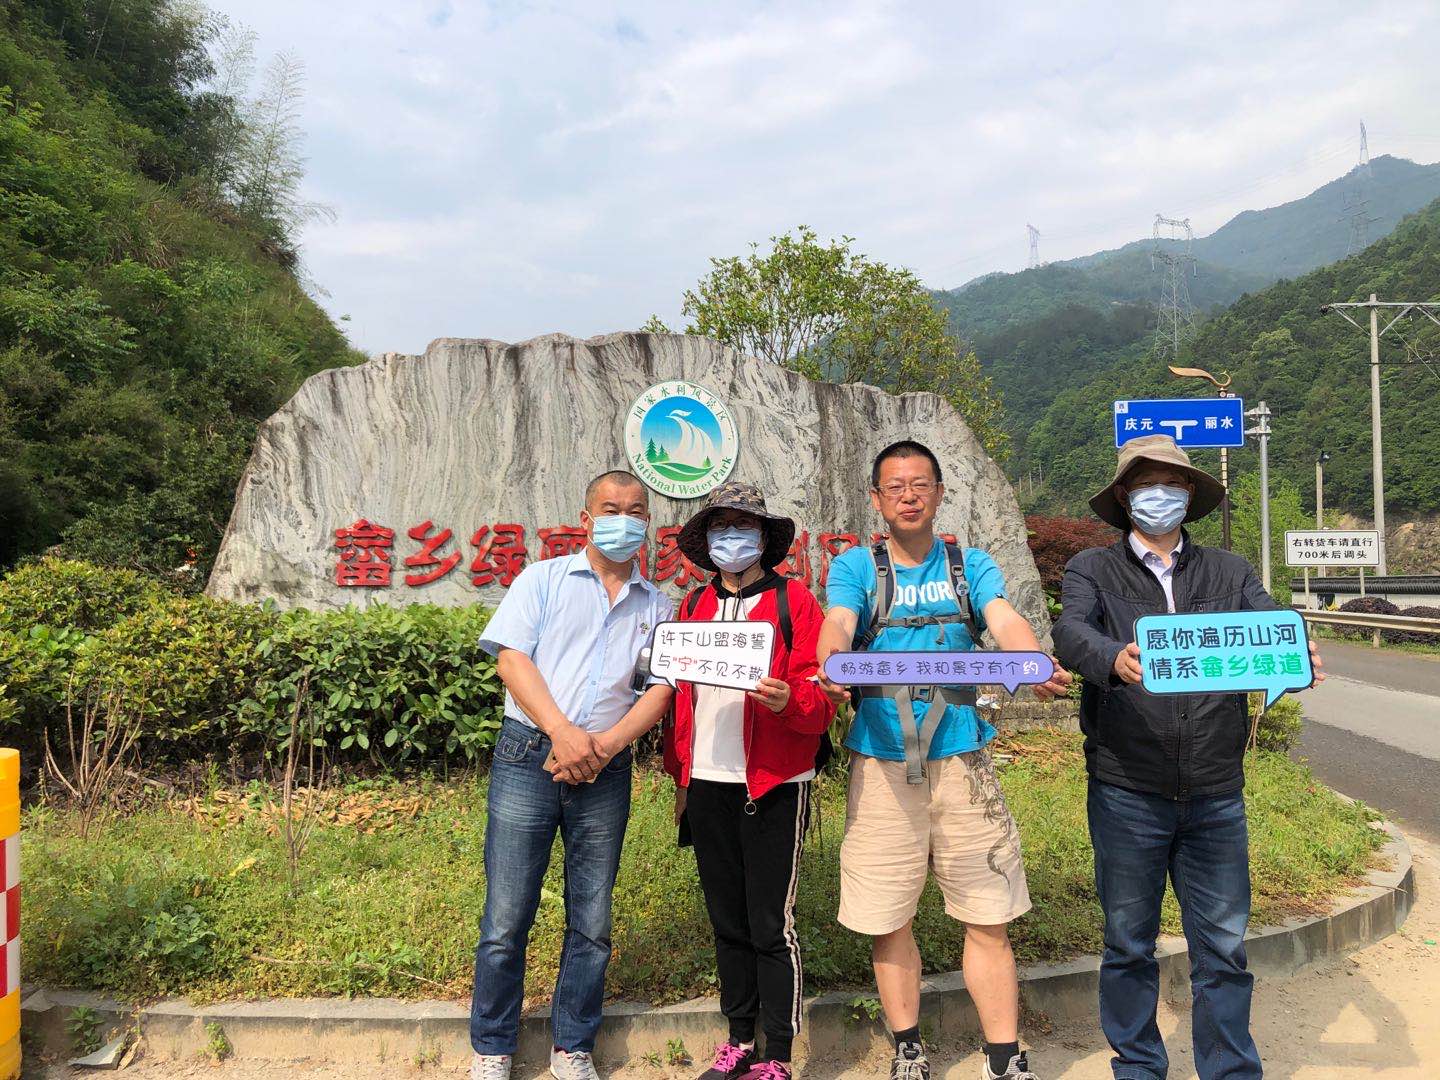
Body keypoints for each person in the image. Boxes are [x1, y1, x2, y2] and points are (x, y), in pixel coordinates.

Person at [1051, 435, 1324, 1080]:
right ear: (1125, 497)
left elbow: (1267, 624)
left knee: (1224, 948)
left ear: (1191, 494)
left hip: (1215, 790)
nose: (1160, 496)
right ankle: (1138, 1067)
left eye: (1172, 484)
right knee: (1128, 944)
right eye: (1147, 484)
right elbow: (1070, 630)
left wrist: (1294, 654)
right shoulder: (1092, 568)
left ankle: (1229, 1070)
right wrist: (1111, 658)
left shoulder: (1230, 571)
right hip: (1127, 786)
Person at [816, 440, 1072, 1080]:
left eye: (920, 484)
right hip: (881, 761)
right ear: (876, 499)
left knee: (988, 912)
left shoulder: (969, 564)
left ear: (938, 493)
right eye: (895, 486)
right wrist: (831, 664)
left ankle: (1004, 1055)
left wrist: (1029, 661)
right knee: (888, 914)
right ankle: (908, 1047)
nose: (908, 496)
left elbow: (1003, 619)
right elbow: (838, 623)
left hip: (962, 759)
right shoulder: (855, 566)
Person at [470, 471, 675, 1080]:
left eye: (635, 511)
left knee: (592, 919)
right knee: (506, 916)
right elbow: (512, 659)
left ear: (647, 523)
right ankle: (492, 1046)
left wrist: (604, 746)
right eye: (610, 509)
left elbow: (661, 688)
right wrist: (562, 731)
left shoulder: (658, 605)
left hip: (606, 769)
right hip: (527, 756)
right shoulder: (543, 579)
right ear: (586, 518)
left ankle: (572, 1045)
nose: (623, 520)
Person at [662, 481, 837, 1080]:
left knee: (770, 923)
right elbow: (678, 703)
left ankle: (778, 1053)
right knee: (727, 920)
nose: (730, 538)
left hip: (773, 782)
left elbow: (820, 696)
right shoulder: (692, 606)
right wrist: (681, 780)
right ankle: (738, 1038)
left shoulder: (795, 601)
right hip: (706, 782)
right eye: (720, 527)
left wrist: (791, 700)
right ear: (705, 539)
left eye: (743, 527)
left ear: (764, 538)